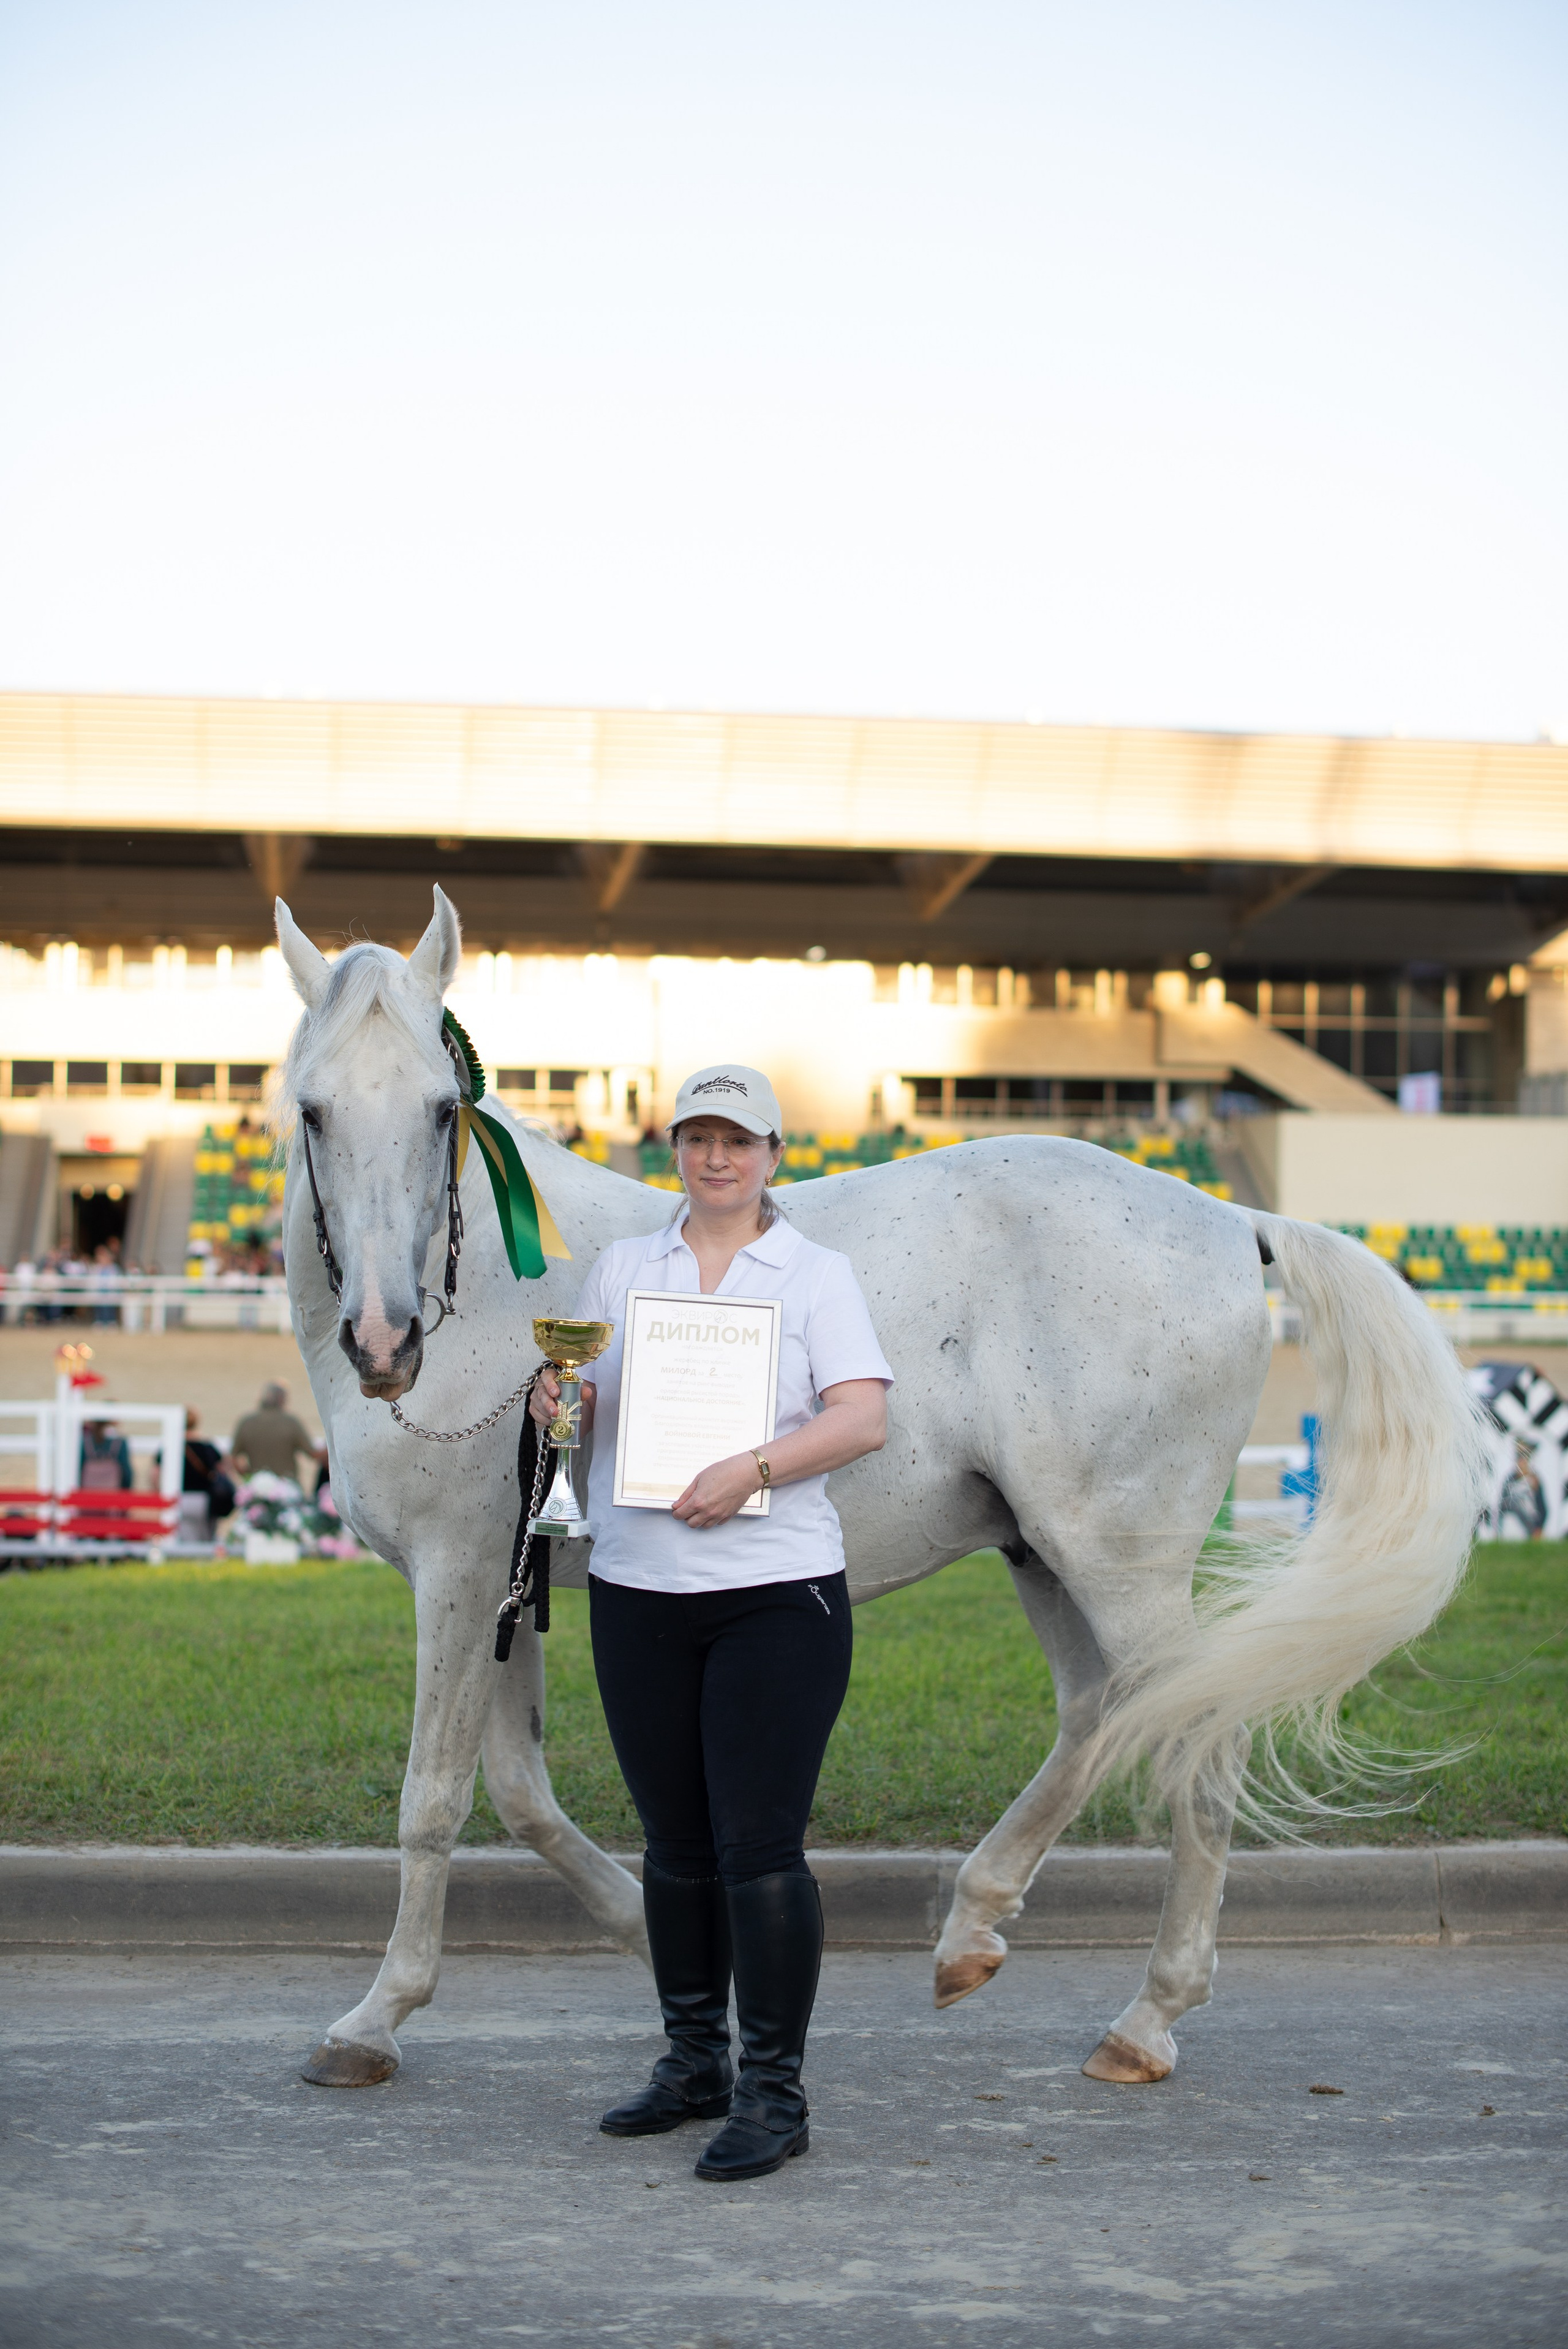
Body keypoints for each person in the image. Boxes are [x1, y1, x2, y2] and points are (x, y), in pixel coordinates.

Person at [529, 1063, 892, 2182]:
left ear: (775, 1155)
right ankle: (696, 2064)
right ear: (675, 1150)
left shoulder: (816, 1274)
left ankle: (775, 2092)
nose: (718, 1157)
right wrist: (561, 1403)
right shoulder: (623, 1267)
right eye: (698, 1137)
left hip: (777, 1597)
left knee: (758, 1850)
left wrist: (754, 1466)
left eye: (740, 1140)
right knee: (676, 1850)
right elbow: (586, 1403)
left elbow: (865, 1416)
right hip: (638, 1590)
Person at [230, 1382, 325, 1485]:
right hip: (288, 1487)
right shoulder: (291, 1422)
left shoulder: (246, 1422)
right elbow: (313, 1454)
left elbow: (233, 1458)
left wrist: (249, 1477)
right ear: (282, 1399)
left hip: (257, 1489)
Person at [181, 1409, 236, 1522]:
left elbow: (156, 1474)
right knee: (207, 1537)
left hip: (181, 1499)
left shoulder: (173, 1446)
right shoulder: (207, 1446)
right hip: (206, 1500)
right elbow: (224, 1468)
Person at [79, 1419, 132, 1491]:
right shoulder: (119, 1442)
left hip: (87, 1494)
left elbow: (78, 1470)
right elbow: (127, 1473)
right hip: (112, 1494)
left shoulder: (85, 1441)